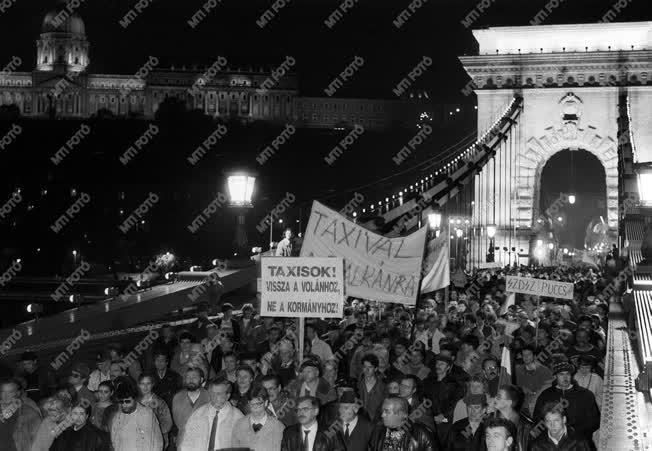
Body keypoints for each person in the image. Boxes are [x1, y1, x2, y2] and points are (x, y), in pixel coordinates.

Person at [533, 362, 600, 442]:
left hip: (579, 442)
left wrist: (575, 432)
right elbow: (538, 418)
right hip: (553, 442)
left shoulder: (586, 395)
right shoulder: (546, 395)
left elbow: (594, 421)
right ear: (555, 376)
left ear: (571, 375)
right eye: (561, 374)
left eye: (568, 374)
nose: (565, 377)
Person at [179, 378, 245, 451]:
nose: (214, 397)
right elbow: (187, 441)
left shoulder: (237, 417)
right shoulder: (199, 413)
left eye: (218, 394)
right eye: (212, 393)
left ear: (228, 395)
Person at [367, 396, 439, 451]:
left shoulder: (422, 435)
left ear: (401, 414)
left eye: (387, 411)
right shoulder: (377, 431)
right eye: (382, 411)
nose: (382, 415)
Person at [109, 382, 163, 451]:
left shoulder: (147, 414)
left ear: (135, 399)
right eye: (121, 402)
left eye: (127, 401)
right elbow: (115, 442)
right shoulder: (117, 418)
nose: (124, 405)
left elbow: (158, 441)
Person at [231, 385, 285, 451]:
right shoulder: (239, 425)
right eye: (252, 404)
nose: (255, 407)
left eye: (259, 404)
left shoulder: (278, 427)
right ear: (248, 403)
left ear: (266, 403)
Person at [0, 377, 41, 451]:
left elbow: (38, 441)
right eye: (3, 391)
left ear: (18, 393)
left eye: (10, 392)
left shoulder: (29, 413)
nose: (5, 396)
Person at [171, 367, 209, 446]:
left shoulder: (209, 396)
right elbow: (174, 419)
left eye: (194, 377)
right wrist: (175, 434)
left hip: (204, 439)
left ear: (201, 380)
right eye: (188, 377)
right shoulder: (178, 397)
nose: (191, 380)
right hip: (183, 439)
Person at [514, 345, 553, 415]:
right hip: (522, 406)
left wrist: (537, 394)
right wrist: (521, 388)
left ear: (534, 356)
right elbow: (513, 387)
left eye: (528, 354)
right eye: (523, 355)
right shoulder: (517, 370)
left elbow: (550, 389)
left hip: (539, 406)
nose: (526, 357)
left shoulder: (545, 371)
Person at [138, 374, 172, 449]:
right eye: (142, 384)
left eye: (148, 383)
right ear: (138, 385)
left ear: (152, 384)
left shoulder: (160, 403)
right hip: (139, 441)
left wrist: (154, 432)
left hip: (155, 440)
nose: (145, 387)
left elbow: (167, 423)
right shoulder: (135, 402)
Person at [495, 385, 532, 451]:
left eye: (499, 397)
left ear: (509, 402)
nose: (495, 398)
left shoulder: (525, 426)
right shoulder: (491, 420)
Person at [357, 354, 385, 423]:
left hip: (376, 423)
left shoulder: (383, 387)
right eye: (364, 367)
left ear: (375, 369)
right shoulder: (356, 384)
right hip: (359, 422)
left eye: (370, 367)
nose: (367, 370)